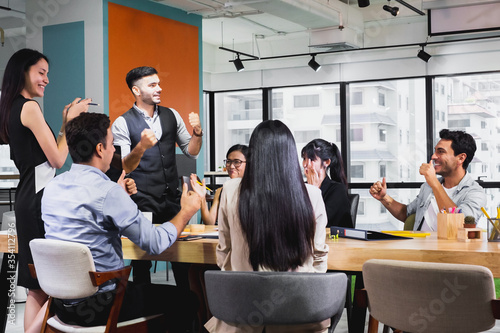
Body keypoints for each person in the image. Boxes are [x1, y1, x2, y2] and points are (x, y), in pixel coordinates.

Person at [41, 112, 202, 332]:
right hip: (102, 303)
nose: (114, 151)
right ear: (99, 149)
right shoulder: (107, 192)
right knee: (186, 299)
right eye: (112, 145)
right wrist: (187, 211)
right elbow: (154, 243)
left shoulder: (52, 188)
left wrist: (118, 198)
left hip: (61, 305)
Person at [205, 120, 331, 333]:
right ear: (290, 155)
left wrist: (239, 281)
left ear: (253, 155)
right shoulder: (312, 195)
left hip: (241, 315)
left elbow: (224, 252)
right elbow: (318, 257)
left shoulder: (230, 189)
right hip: (298, 316)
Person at [0, 48, 90, 332]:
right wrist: (71, 122)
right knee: (44, 284)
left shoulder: (12, 108)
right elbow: (58, 159)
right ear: (22, 72)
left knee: (36, 287)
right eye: (41, 72)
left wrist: (64, 124)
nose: (46, 79)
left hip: (29, 198)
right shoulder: (29, 107)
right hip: (38, 201)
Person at [111, 66, 203, 283]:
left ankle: (186, 310)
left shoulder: (172, 115)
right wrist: (141, 147)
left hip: (172, 199)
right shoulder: (122, 123)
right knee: (142, 260)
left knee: (181, 258)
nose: (159, 88)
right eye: (152, 85)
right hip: (142, 202)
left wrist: (197, 134)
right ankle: (145, 311)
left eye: (159, 83)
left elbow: (191, 152)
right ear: (136, 90)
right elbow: (126, 166)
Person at [370, 129, 486, 231]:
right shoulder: (428, 186)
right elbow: (406, 214)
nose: (433, 156)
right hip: (420, 250)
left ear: (461, 158)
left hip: (451, 253)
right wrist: (384, 198)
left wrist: (434, 183)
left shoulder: (475, 193)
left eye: (441, 151)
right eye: (435, 151)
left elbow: (460, 225)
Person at [301, 139, 353, 228]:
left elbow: (319, 223)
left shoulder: (338, 190)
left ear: (327, 162)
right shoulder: (301, 187)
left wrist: (314, 191)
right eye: (305, 159)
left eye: (312, 159)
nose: (306, 164)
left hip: (334, 240)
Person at [198, 144, 248, 225]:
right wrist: (202, 198)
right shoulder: (221, 191)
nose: (231, 166)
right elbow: (209, 222)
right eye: (228, 161)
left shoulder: (254, 190)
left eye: (237, 162)